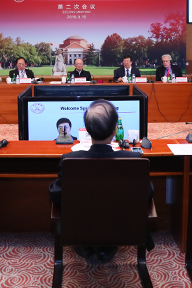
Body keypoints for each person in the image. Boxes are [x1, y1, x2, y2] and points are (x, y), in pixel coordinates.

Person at [48, 100, 153, 263]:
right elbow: (147, 192)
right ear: (114, 130)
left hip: (80, 228)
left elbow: (56, 195)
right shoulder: (134, 159)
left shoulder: (69, 159)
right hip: (122, 227)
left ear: (87, 130)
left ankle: (89, 245)